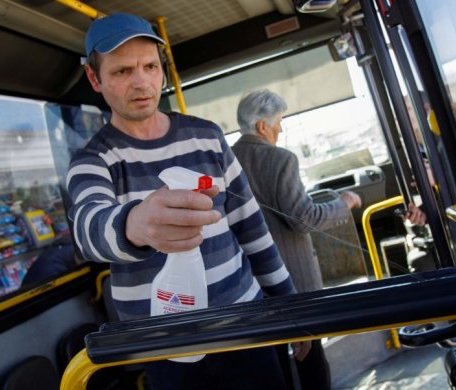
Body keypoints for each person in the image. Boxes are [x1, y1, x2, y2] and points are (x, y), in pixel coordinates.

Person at [67, 13, 309, 389]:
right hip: (165, 345)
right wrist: (136, 224)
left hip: (244, 324)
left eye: (150, 66)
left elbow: (251, 228)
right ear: (95, 79)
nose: (141, 81)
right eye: (122, 71)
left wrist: (289, 305)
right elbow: (88, 227)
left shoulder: (208, 137)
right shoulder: (93, 160)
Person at [232, 89, 362, 390]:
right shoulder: (281, 159)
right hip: (292, 280)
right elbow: (303, 219)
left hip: (247, 281)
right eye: (279, 121)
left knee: (271, 362)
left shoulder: (226, 160)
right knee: (311, 358)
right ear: (262, 126)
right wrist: (343, 204)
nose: (281, 128)